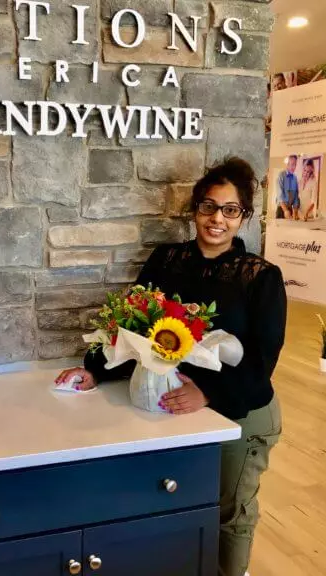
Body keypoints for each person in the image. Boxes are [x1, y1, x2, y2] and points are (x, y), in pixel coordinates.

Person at [55, 158, 286, 576]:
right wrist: (95, 369)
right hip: (169, 405)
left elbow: (262, 362)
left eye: (230, 210)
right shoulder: (167, 260)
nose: (217, 219)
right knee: (174, 507)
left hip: (242, 411)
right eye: (208, 206)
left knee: (229, 511)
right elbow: (132, 325)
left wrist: (208, 393)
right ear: (195, 209)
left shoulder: (260, 276)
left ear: (244, 216)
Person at [276, 155, 300, 220]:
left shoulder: (295, 178)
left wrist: (295, 212)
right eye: (292, 164)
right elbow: (280, 195)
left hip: (290, 210)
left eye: (295, 164)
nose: (293, 167)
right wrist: (285, 210)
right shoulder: (281, 175)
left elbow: (296, 197)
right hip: (281, 209)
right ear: (287, 164)